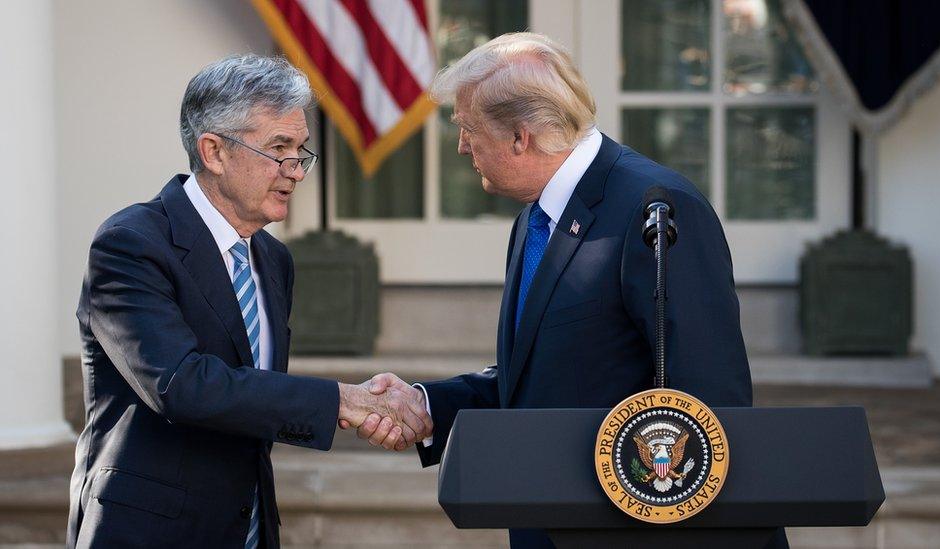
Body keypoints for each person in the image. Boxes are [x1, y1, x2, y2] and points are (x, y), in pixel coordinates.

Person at [351, 33, 768, 548]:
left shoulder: (656, 208)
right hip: (550, 521)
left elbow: (708, 399)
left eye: (467, 129)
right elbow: (541, 377)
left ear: (520, 138)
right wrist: (426, 403)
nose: (461, 146)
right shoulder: (537, 216)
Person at [66, 55, 431, 548]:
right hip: (150, 531)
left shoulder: (274, 259)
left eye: (301, 151)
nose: (296, 171)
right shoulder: (130, 243)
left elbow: (255, 398)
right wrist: (345, 401)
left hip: (249, 528)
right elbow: (181, 384)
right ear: (213, 151)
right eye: (279, 148)